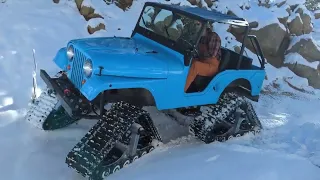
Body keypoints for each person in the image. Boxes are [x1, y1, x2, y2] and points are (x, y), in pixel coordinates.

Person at [184, 22, 221, 92]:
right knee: (187, 61)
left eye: (198, 24)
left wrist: (197, 54)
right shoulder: (201, 37)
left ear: (205, 27)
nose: (196, 27)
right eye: (196, 24)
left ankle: (182, 90)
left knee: (196, 66)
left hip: (212, 66)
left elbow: (212, 54)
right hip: (202, 61)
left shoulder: (213, 36)